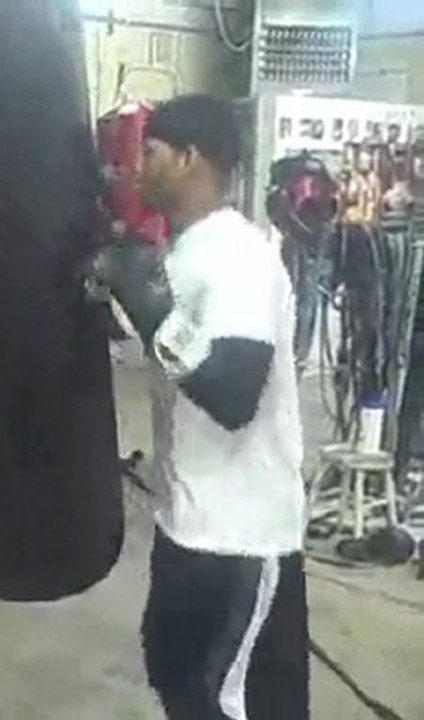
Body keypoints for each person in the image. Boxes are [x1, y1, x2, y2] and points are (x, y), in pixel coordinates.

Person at [88, 95, 310, 719]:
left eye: (151, 154)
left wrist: (149, 302)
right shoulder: (183, 254)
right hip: (187, 518)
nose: (138, 168)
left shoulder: (239, 255)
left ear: (190, 158)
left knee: (215, 694)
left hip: (239, 531)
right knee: (174, 667)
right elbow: (143, 340)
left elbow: (234, 392)